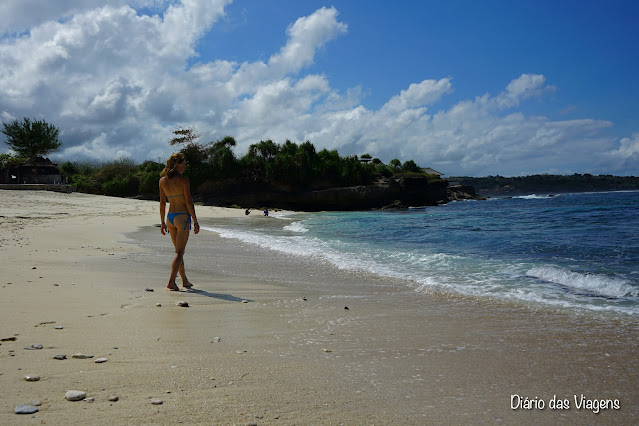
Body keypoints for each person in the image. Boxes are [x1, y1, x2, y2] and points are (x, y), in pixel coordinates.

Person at [159, 153, 200, 291]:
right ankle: (171, 282)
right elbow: (189, 202)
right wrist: (195, 220)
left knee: (178, 251)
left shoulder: (162, 181)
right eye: (183, 163)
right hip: (182, 217)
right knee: (179, 252)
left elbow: (163, 203)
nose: (185, 166)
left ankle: (184, 280)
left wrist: (162, 222)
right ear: (176, 164)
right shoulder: (184, 180)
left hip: (170, 218)